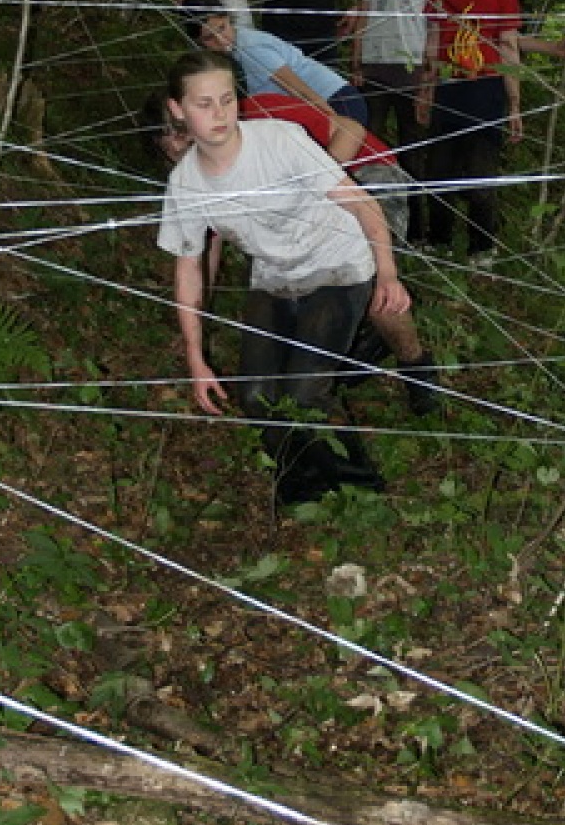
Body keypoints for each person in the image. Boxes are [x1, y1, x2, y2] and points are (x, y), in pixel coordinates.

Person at [156, 51, 411, 504]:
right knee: (255, 397)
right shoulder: (186, 184)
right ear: (178, 110)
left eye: (226, 99)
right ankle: (299, 487)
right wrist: (196, 358)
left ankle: (362, 487)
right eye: (203, 104)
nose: (219, 114)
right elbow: (188, 268)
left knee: (305, 389)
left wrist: (388, 274)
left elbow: (362, 204)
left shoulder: (279, 140)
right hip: (275, 278)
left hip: (339, 265)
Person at [143, 89, 441, 415]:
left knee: (369, 278)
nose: (179, 146)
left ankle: (416, 368)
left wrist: (311, 185)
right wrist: (199, 320)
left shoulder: (260, 113)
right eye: (168, 144)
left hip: (367, 171)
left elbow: (351, 129)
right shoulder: (198, 177)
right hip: (299, 223)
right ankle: (339, 355)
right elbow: (203, 252)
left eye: (181, 132)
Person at [416, 0, 522, 269]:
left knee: (480, 173)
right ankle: (439, 240)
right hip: (449, 88)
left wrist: (515, 104)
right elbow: (433, 43)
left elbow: (508, 48)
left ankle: (482, 247)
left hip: (485, 90)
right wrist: (425, 90)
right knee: (439, 171)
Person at [347, 0, 443, 236]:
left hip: (410, 67)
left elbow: (436, 24)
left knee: (412, 147)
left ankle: (416, 228)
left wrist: (429, 71)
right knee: (368, 141)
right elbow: (360, 17)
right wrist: (356, 61)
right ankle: (369, 221)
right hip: (375, 66)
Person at [181, 0, 369, 126]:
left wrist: (333, 121)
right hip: (314, 108)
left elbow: (298, 89)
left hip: (334, 101)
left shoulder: (250, 48)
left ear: (228, 18)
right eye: (209, 38)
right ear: (198, 41)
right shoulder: (226, 58)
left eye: (222, 28)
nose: (221, 40)